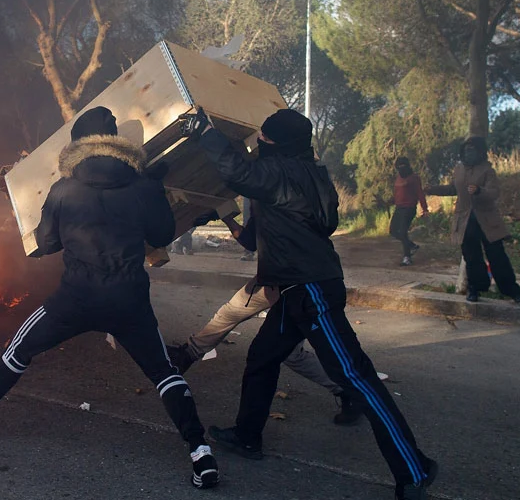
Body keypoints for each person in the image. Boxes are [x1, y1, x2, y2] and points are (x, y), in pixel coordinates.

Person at [0, 106, 219, 489]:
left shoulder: (64, 189)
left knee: (19, 349)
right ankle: (200, 453)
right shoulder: (143, 186)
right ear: (118, 145)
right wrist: (154, 188)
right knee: (163, 373)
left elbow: (46, 243)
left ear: (79, 146)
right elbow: (160, 235)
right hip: (129, 301)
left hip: (75, 299)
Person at [183, 107, 438, 500]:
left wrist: (207, 134)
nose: (259, 144)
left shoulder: (285, 173)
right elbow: (255, 238)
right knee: (263, 356)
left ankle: (414, 469)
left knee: (359, 378)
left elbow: (239, 173)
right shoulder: (310, 175)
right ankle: (248, 436)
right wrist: (225, 220)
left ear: (279, 144)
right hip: (293, 289)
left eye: (264, 139)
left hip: (312, 289)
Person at [167, 211, 363, 426]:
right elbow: (254, 240)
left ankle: (347, 389)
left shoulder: (274, 199)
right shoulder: (292, 197)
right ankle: (189, 353)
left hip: (292, 282)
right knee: (232, 313)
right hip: (296, 277)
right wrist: (225, 216)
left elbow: (252, 241)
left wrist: (224, 216)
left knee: (285, 351)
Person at [427, 136, 520, 304]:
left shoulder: (487, 170)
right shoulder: (459, 169)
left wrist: (480, 191)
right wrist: (432, 189)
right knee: (472, 257)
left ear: (480, 152)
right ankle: (475, 289)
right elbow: (453, 188)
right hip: (465, 221)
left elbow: (494, 192)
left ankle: (512, 291)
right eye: (466, 149)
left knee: (497, 257)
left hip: (486, 220)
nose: (469, 152)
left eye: (473, 149)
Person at [390, 157, 429, 266]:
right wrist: (388, 202)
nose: (401, 169)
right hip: (399, 208)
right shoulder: (398, 178)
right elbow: (397, 194)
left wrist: (425, 208)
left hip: (409, 208)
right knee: (393, 231)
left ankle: (407, 258)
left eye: (403, 166)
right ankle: (412, 245)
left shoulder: (414, 178)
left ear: (408, 166)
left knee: (403, 232)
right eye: (399, 167)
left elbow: (420, 193)